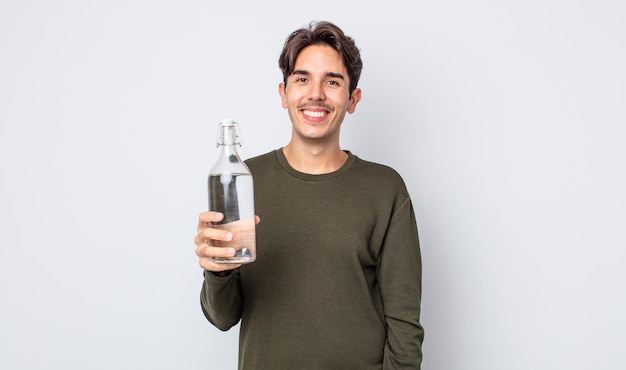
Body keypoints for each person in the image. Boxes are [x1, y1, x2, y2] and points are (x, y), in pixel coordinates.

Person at [194, 21, 424, 369]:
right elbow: (223, 317)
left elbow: (405, 330)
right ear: (283, 93)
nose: (315, 93)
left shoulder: (385, 189)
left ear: (352, 99)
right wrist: (217, 272)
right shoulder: (245, 180)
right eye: (302, 79)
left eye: (332, 81)